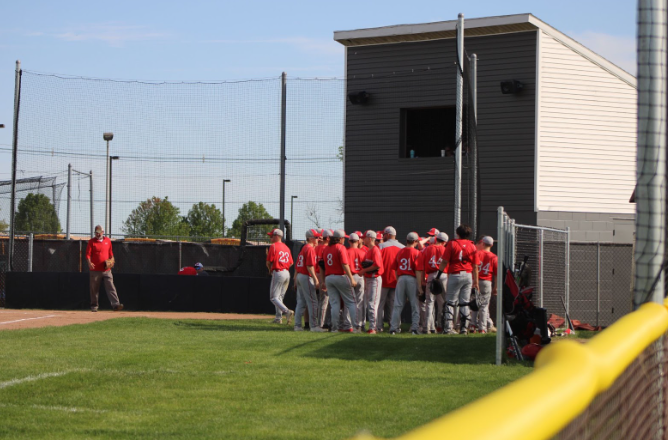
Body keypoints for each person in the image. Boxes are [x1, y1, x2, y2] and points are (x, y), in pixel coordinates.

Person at [437, 224, 480, 335]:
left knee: (450, 302)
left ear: (458, 233)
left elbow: (445, 261)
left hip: (455, 274)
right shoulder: (472, 246)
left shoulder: (452, 243)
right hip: (468, 275)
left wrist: (438, 276)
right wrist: (476, 281)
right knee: (465, 303)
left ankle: (448, 328)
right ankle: (464, 329)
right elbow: (475, 266)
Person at [320, 229, 358, 332]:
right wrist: (351, 278)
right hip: (340, 276)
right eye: (343, 238)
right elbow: (344, 264)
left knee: (334, 304)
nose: (344, 240)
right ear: (340, 239)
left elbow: (322, 266)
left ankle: (334, 328)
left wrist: (323, 280)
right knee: (351, 302)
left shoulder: (326, 249)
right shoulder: (341, 248)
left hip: (329, 278)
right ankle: (356, 327)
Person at [390, 232, 423, 335]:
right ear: (415, 241)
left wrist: (398, 280)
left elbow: (395, 269)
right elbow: (418, 271)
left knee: (397, 305)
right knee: (414, 305)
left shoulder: (400, 252)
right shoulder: (417, 253)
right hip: (411, 279)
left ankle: (393, 328)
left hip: (401, 278)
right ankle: (414, 328)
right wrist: (420, 286)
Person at [294, 229, 326, 332]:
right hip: (305, 276)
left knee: (301, 302)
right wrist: (316, 279)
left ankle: (297, 326)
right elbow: (309, 266)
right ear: (311, 238)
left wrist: (295, 278)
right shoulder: (310, 248)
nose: (318, 239)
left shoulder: (304, 248)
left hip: (300, 275)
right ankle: (314, 326)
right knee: (313, 302)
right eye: (316, 237)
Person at [86, 225, 123, 312]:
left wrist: (112, 260)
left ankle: (116, 305)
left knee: (111, 286)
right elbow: (87, 254)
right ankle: (94, 306)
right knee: (94, 289)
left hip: (106, 270)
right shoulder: (92, 242)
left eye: (99, 233)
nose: (97, 234)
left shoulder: (107, 241)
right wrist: (89, 263)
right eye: (96, 233)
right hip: (95, 270)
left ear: (103, 232)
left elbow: (110, 253)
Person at [420, 231, 448, 333]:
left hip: (431, 275)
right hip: (443, 275)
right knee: (446, 302)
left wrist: (423, 279)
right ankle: (445, 326)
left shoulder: (427, 249)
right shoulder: (445, 249)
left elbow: (422, 266)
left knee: (429, 303)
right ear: (444, 242)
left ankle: (426, 327)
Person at [377, 226, 403, 332]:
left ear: (387, 235)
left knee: (380, 304)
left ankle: (379, 326)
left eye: (384, 234)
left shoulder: (381, 246)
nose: (383, 236)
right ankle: (395, 326)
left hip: (383, 279)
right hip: (397, 280)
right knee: (394, 304)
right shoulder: (402, 247)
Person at [266, 228, 294, 325]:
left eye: (271, 236)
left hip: (278, 272)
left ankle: (287, 311)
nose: (270, 238)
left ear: (276, 236)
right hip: (287, 273)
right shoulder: (286, 247)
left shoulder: (273, 246)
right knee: (279, 297)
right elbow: (291, 263)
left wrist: (270, 269)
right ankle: (278, 318)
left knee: (273, 297)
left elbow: (268, 262)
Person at [358, 230, 383, 334]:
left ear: (369, 238)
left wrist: (364, 270)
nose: (362, 239)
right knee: (369, 304)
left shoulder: (375, 250)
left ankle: (373, 327)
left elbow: (377, 265)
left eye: (364, 238)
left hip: (374, 279)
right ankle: (372, 326)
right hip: (369, 278)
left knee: (372, 304)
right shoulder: (369, 250)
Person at [475, 236, 498, 333]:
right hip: (487, 281)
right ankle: (482, 328)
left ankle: (472, 325)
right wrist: (496, 287)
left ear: (482, 243)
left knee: (475, 304)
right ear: (492, 245)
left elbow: (474, 267)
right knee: (484, 306)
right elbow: (496, 274)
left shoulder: (477, 253)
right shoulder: (494, 256)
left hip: (476, 280)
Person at [346, 232, 367, 332]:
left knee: (348, 302)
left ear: (349, 241)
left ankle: (348, 324)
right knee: (360, 302)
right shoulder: (363, 252)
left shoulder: (346, 251)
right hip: (360, 277)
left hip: (350, 277)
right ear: (358, 241)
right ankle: (359, 324)